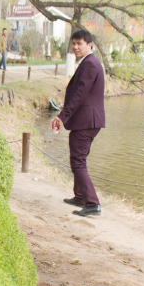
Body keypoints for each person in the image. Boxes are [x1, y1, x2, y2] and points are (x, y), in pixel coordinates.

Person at [50, 30, 105, 217]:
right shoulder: (89, 62)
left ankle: (92, 204)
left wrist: (62, 116)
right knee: (79, 159)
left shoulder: (90, 64)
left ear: (90, 45)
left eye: (79, 43)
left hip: (86, 121)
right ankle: (80, 196)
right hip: (88, 120)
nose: (75, 47)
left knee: (78, 162)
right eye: (73, 43)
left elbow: (80, 94)